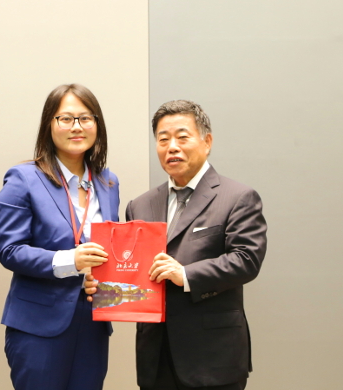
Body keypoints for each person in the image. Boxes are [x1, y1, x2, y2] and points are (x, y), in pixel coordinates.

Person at [86, 100, 267, 390]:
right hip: (155, 356)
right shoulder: (140, 205)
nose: (172, 146)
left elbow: (246, 259)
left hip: (213, 355)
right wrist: (105, 286)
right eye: (163, 139)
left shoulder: (237, 197)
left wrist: (185, 275)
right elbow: (133, 269)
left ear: (206, 142)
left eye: (182, 137)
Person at [0, 84, 120, 390]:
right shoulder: (23, 178)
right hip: (39, 325)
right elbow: (10, 250)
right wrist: (71, 261)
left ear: (97, 126)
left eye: (86, 118)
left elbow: (110, 248)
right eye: (65, 118)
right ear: (49, 125)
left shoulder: (108, 181)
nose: (76, 127)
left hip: (93, 321)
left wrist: (101, 277)